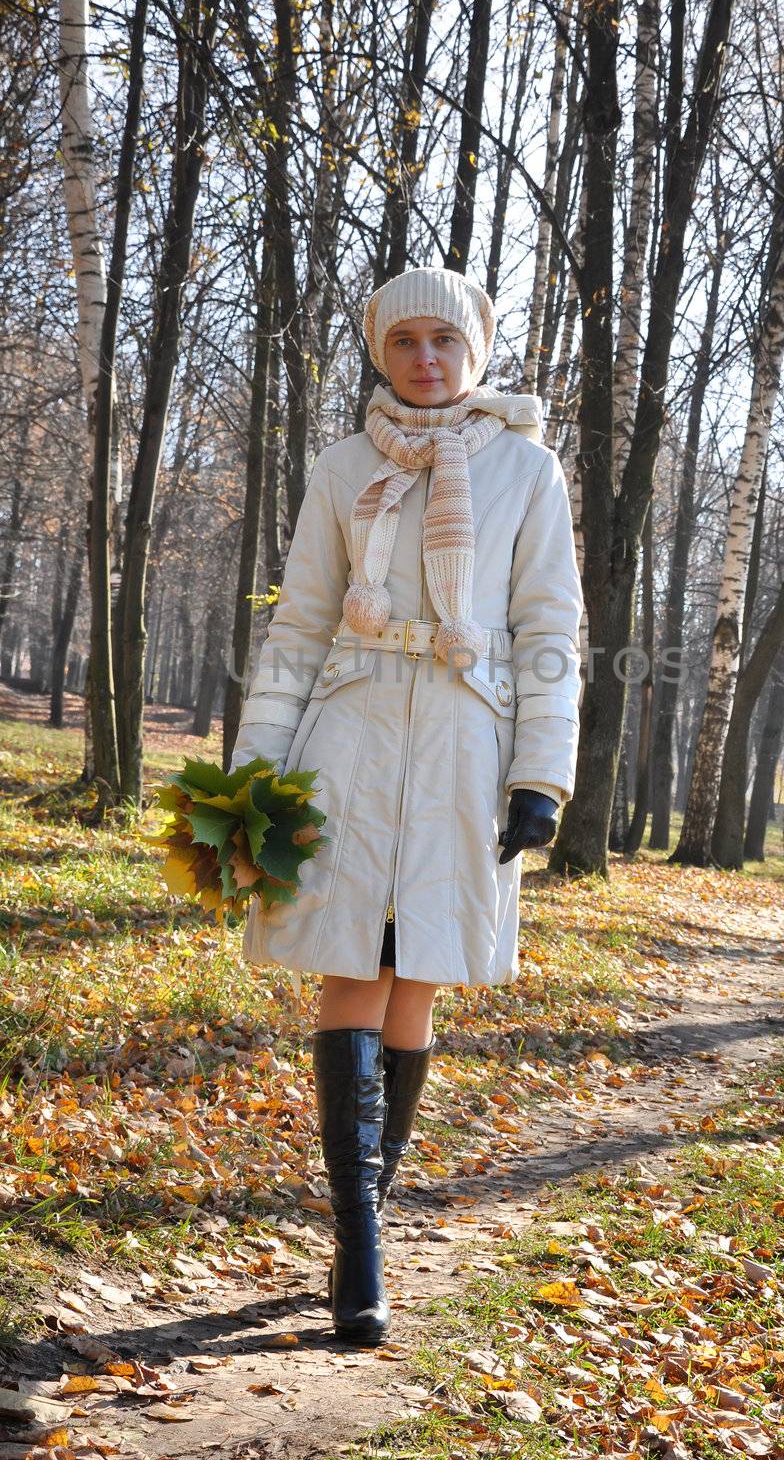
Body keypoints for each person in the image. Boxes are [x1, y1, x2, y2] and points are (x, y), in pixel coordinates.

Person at [228, 266, 583, 1345]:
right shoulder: (341, 468)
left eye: (444, 338)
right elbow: (297, 625)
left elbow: (548, 625)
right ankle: (359, 1247)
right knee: (349, 961)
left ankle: (363, 1222)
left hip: (465, 749)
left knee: (416, 973)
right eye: (403, 342)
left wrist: (539, 775)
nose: (424, 358)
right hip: (348, 731)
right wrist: (255, 776)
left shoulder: (526, 470)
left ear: (475, 347)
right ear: (380, 354)